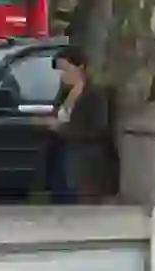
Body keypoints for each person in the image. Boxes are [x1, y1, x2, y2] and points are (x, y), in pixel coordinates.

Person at [47, 47, 117, 203]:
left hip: (85, 162)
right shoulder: (64, 93)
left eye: (65, 68)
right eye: (58, 70)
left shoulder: (95, 94)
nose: (62, 74)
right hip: (62, 157)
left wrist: (63, 129)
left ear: (80, 67)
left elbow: (99, 130)